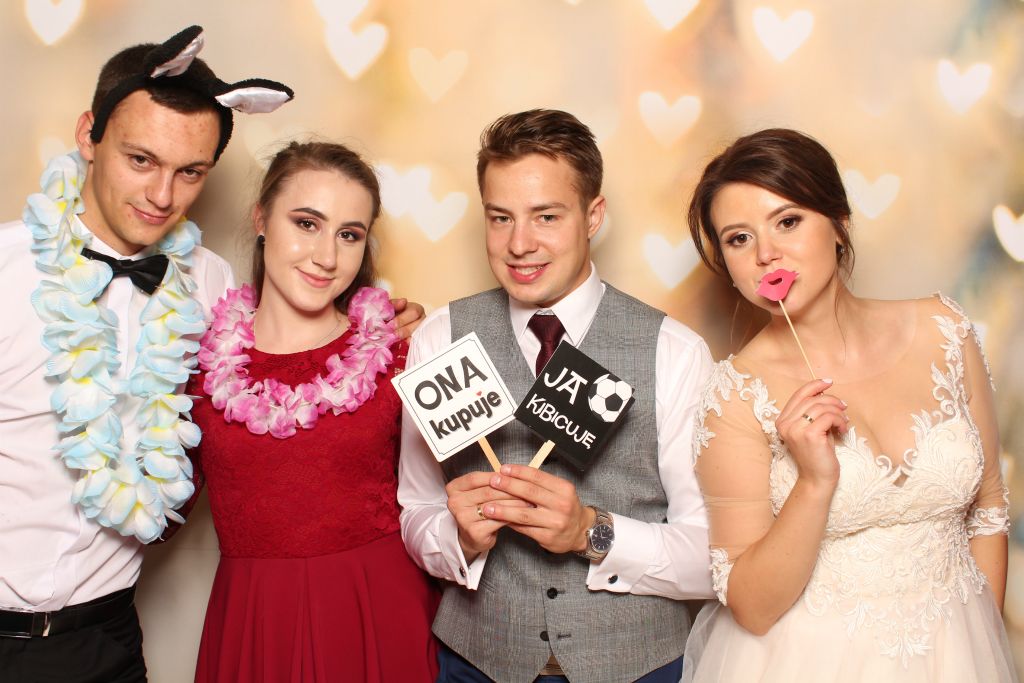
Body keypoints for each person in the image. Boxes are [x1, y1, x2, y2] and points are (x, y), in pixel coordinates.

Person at [0, 27, 421, 682]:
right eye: (141, 159)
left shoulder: (208, 285)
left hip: (108, 635)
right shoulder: (6, 271)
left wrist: (379, 331)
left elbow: (288, 360)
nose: (161, 195)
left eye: (190, 171)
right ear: (88, 135)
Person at [681, 128, 1016, 682]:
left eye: (788, 221)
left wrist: (979, 651)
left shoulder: (945, 330)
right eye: (739, 239)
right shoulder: (735, 395)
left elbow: (989, 512)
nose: (766, 254)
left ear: (838, 222)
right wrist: (814, 482)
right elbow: (752, 607)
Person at [398, 109, 715, 683]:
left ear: (593, 216)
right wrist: (456, 538)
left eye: (546, 216)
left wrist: (591, 532)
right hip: (475, 662)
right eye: (500, 218)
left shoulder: (674, 351)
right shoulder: (440, 338)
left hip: (638, 667)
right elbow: (415, 510)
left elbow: (711, 553)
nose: (519, 244)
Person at [187, 140, 439, 682]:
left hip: (378, 616)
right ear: (261, 219)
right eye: (306, 224)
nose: (327, 257)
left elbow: (450, 501)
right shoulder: (197, 366)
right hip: (255, 625)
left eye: (349, 235)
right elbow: (153, 510)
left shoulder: (401, 352)